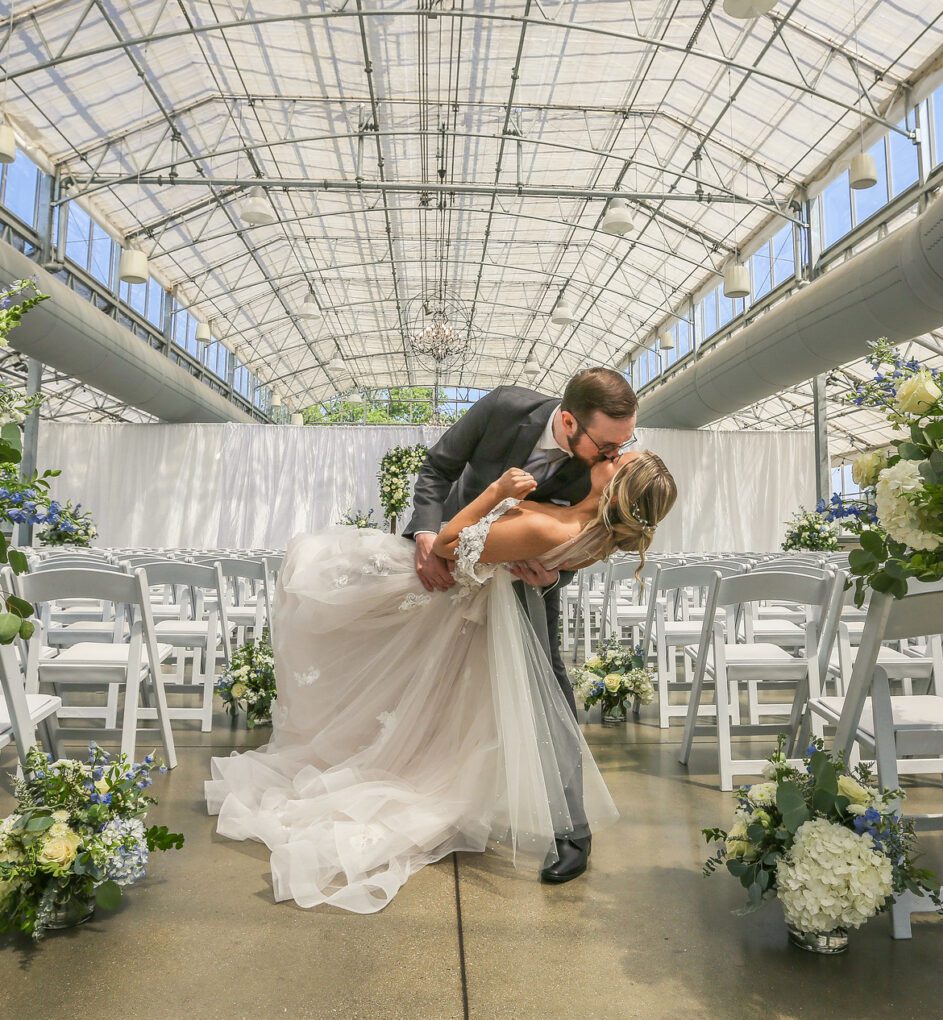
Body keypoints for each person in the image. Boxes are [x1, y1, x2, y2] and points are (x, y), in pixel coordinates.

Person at [205, 448, 676, 914]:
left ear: (617, 487)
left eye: (620, 459)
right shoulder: (591, 532)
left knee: (318, 575)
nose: (612, 453)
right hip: (468, 603)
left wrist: (497, 492)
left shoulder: (552, 526)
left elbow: (450, 543)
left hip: (431, 583)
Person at [405, 368, 639, 882]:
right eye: (606, 446)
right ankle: (426, 793)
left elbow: (595, 535)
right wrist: (426, 535)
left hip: (530, 585)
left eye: (625, 443)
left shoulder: (604, 467)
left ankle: (573, 830)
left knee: (548, 686)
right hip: (449, 561)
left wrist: (556, 571)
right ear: (570, 421)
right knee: (429, 678)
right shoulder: (505, 406)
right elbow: (437, 470)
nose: (614, 458)